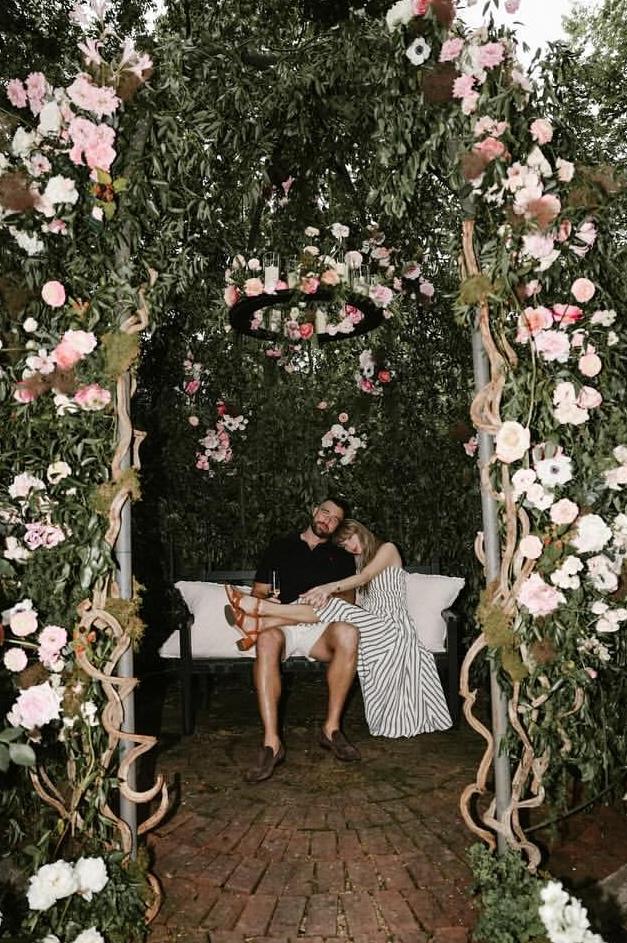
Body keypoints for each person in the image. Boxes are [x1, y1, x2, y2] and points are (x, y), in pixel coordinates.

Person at [229, 519, 452, 742]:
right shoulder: (359, 562)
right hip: (371, 623)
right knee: (330, 605)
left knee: (332, 603)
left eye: (350, 539)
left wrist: (327, 588)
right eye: (344, 545)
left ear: (360, 531)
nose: (350, 547)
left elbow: (364, 578)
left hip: (392, 626)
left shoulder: (387, 549)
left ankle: (261, 613)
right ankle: (260, 624)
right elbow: (360, 596)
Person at [228, 497, 362, 784]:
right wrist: (268, 599)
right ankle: (271, 743)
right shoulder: (280, 546)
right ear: (314, 511)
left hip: (320, 627)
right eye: (325, 512)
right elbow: (259, 592)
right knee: (266, 641)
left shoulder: (340, 556)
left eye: (335, 519)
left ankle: (331, 729)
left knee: (349, 632)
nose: (327, 520)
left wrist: (327, 595)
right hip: (283, 629)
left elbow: (348, 602)